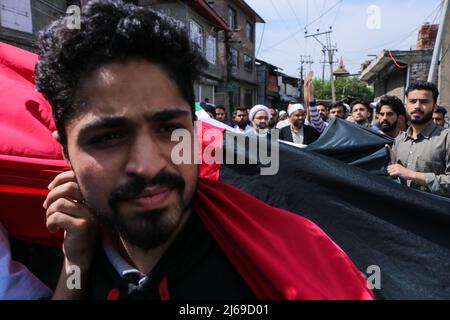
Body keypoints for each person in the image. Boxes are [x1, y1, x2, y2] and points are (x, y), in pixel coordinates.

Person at [36, 0, 373, 300]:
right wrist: (75, 263)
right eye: (108, 137)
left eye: (169, 129)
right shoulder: (64, 256)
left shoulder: (278, 262)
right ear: (64, 150)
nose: (148, 165)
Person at [387, 81, 450, 197]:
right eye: (412, 101)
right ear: (406, 104)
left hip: (435, 212)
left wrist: (412, 175)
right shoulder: (399, 141)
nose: (417, 106)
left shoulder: (446, 138)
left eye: (424, 102)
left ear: (434, 106)